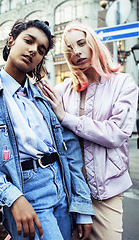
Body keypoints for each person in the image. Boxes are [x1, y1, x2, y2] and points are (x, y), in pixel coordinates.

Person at [0, 19, 94, 240]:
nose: (33, 51)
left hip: (61, 188)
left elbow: (69, 151)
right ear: (11, 41)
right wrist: (12, 197)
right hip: (27, 192)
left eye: (41, 50)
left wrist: (81, 205)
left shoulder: (44, 96)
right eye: (28, 41)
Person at [36, 22, 138, 240]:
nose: (77, 53)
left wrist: (67, 118)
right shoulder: (63, 90)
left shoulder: (123, 83)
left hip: (106, 193)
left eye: (82, 44)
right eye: (70, 49)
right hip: (69, 192)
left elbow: (116, 133)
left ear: (94, 44)